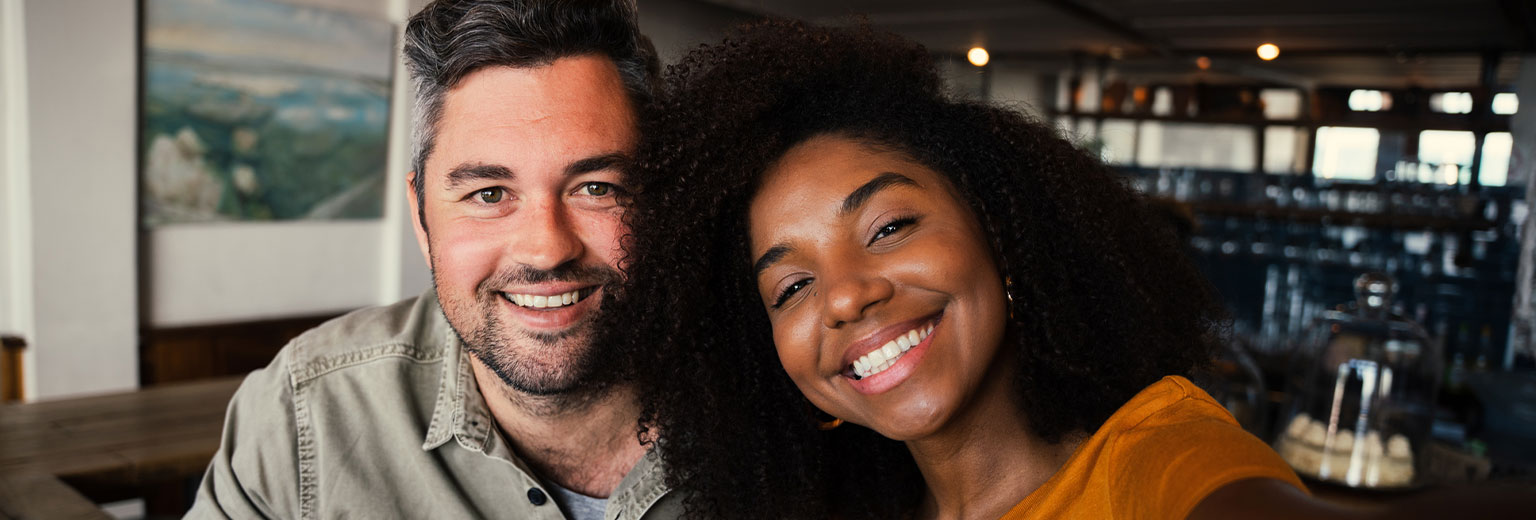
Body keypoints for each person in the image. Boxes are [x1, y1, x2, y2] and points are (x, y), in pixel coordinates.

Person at [620, 20, 1500, 520]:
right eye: (792, 286)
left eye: (888, 226)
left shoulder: (1153, 461)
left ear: (1001, 235)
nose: (846, 293)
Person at [188, 1, 681, 518]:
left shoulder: (767, 392)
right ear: (421, 217)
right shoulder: (303, 415)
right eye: (489, 194)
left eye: (597, 188)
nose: (547, 249)